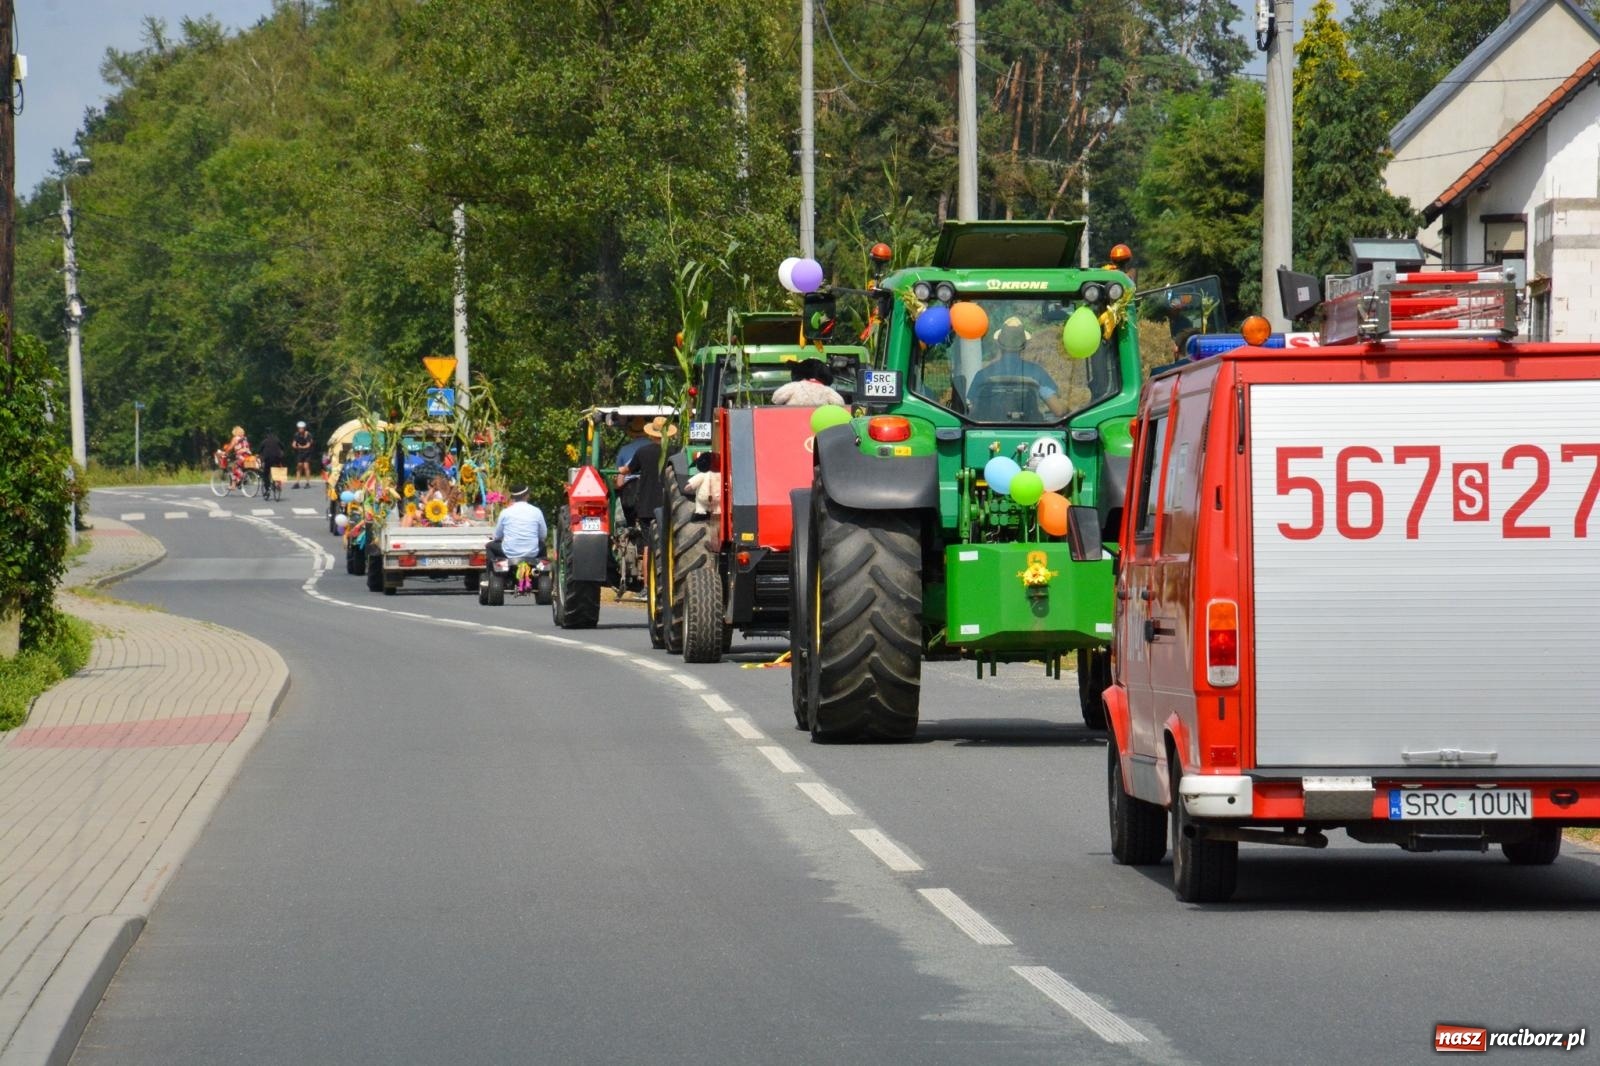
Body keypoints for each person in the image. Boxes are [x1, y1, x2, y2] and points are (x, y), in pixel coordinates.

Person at [968, 317, 1069, 418]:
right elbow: (1059, 411)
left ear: (999, 344)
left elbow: (973, 414)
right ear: (1024, 345)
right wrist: (1069, 408)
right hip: (1031, 431)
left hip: (991, 431)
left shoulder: (983, 375)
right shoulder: (1037, 373)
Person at [616, 418, 674, 525]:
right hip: (670, 505)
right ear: (668, 435)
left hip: (647, 506)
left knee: (648, 538)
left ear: (651, 435)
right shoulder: (675, 452)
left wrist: (621, 470)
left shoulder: (642, 452)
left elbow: (627, 470)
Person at [490, 484, 548, 565]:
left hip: (509, 553)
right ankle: (542, 570)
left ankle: (494, 574)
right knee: (543, 546)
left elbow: (497, 536)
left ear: (513, 497)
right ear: (527, 496)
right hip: (532, 553)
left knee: (489, 546)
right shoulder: (536, 511)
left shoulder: (505, 512)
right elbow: (543, 535)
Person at [771, 358, 846, 407]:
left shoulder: (794, 387)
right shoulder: (827, 390)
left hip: (794, 421)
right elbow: (840, 403)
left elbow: (776, 399)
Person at [685, 451, 720, 516]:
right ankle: (718, 511)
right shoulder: (720, 475)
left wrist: (689, 486)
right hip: (718, 498)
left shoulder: (702, 475)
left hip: (703, 498)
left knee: (699, 503)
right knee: (718, 505)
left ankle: (700, 511)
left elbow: (692, 484)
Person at [258, 428, 286, 501]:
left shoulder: (264, 441)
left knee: (265, 474)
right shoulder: (277, 440)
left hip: (268, 459)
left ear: (266, 434)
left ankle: (267, 489)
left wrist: (260, 456)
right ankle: (278, 484)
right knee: (278, 469)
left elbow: (259, 450)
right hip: (277, 458)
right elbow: (283, 447)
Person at [291, 421, 315, 487]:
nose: (300, 429)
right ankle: (297, 483)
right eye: (299, 428)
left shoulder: (308, 435)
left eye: (302, 428)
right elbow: (293, 443)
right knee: (299, 466)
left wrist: (301, 447)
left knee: (306, 466)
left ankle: (308, 483)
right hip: (300, 452)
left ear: (304, 428)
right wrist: (294, 446)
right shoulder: (296, 434)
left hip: (307, 452)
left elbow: (308, 445)